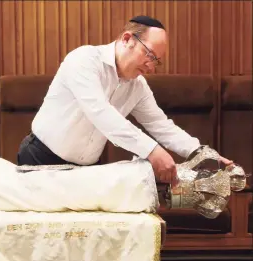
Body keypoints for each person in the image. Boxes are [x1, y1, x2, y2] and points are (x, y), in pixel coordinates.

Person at [17, 15, 232, 185]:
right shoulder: (84, 60)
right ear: (127, 39)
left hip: (87, 171)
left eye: (156, 61)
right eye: (149, 55)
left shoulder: (138, 86)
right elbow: (100, 113)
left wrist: (203, 154)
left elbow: (161, 125)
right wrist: (152, 151)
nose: (150, 67)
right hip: (40, 160)